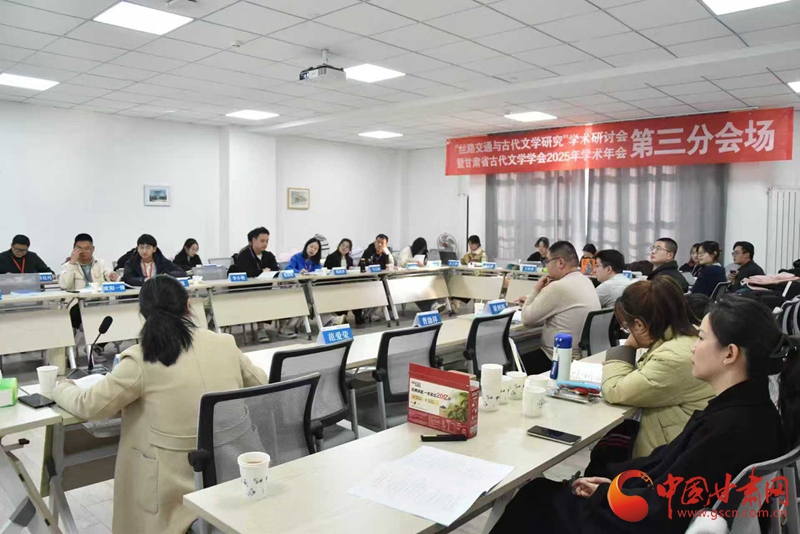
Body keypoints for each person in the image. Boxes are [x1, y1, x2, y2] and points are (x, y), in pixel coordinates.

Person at [489, 296, 797, 534]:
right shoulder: (751, 410)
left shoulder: (730, 427)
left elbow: (662, 509)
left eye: (702, 338)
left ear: (729, 353)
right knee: (541, 492)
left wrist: (607, 494)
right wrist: (612, 486)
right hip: (651, 509)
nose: (693, 347)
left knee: (534, 499)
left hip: (643, 524)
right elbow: (669, 471)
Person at [51, 276, 269, 534]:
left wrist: (60, 386)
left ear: (143, 314)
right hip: (232, 473)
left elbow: (91, 407)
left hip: (172, 492)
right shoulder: (224, 343)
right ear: (188, 306)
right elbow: (262, 383)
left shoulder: (142, 357)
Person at [602, 278, 715, 459]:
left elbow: (614, 390)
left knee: (604, 457)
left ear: (639, 325)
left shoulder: (671, 358)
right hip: (686, 444)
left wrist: (628, 346)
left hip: (668, 459)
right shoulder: (690, 335)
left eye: (628, 326)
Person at [517, 241, 601, 374]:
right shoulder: (586, 281)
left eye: (547, 261)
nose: (546, 266)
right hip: (582, 357)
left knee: (515, 361)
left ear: (560, 263)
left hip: (557, 360)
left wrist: (536, 289)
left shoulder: (558, 287)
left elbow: (526, 319)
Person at [229, 228, 282, 342]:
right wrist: (262, 271)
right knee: (260, 298)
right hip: (248, 291)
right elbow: (246, 272)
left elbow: (276, 270)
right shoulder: (244, 255)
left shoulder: (268, 255)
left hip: (266, 289)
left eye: (267, 241)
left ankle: (283, 327)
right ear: (253, 240)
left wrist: (263, 272)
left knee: (283, 296)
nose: (265, 244)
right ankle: (260, 329)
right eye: (262, 241)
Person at [59, 234, 120, 328]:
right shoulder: (68, 266)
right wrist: (72, 263)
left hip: (99, 301)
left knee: (115, 312)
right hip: (78, 304)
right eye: (79, 248)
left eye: (87, 248)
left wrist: (112, 276)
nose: (83, 252)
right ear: (74, 249)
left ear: (93, 249)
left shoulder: (100, 263)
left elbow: (109, 274)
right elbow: (64, 285)